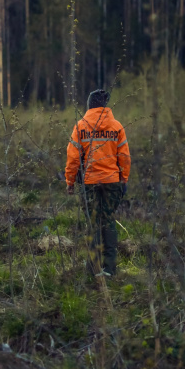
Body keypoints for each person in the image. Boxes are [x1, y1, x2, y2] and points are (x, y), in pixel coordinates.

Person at [65, 89, 130, 277]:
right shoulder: (117, 126)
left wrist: (70, 181)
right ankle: (109, 269)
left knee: (93, 223)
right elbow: (124, 157)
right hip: (112, 181)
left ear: (89, 105)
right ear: (105, 105)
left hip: (89, 182)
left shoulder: (80, 126)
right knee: (108, 221)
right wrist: (123, 178)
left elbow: (73, 159)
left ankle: (93, 269)